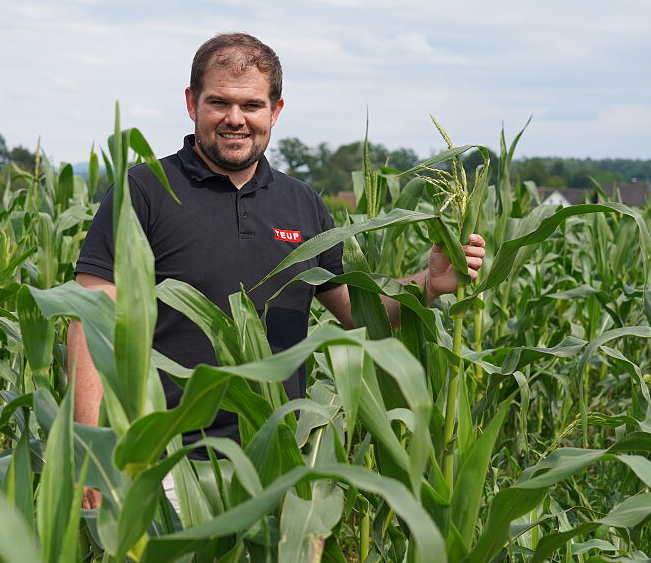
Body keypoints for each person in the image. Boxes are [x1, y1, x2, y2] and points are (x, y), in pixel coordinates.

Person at [69, 33, 485, 508]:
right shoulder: (144, 192)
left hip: (281, 463)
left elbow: (357, 313)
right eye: (218, 102)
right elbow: (91, 321)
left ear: (276, 110)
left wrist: (430, 284)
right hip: (166, 466)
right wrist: (90, 449)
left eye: (251, 105)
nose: (235, 119)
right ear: (191, 103)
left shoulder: (302, 203)